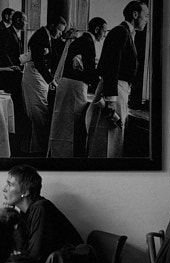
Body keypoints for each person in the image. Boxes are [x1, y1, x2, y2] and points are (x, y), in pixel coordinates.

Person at [86, 1, 149, 158]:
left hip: (118, 89)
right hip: (114, 89)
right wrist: (111, 100)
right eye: (145, 15)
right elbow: (111, 67)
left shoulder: (126, 33)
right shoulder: (120, 32)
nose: (147, 19)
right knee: (108, 135)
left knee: (111, 136)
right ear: (135, 15)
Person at [47, 17, 107, 158]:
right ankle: (65, 156)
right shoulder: (87, 42)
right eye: (104, 31)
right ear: (97, 29)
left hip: (66, 85)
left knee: (62, 124)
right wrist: (102, 85)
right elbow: (90, 71)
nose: (105, 35)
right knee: (72, 124)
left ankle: (58, 153)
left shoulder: (80, 41)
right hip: (74, 88)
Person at [2, 164, 83, 263]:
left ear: (25, 192)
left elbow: (35, 255)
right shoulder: (24, 212)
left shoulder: (40, 209)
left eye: (10, 184)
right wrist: (10, 219)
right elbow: (19, 250)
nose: (4, 189)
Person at [21, 16, 68, 155]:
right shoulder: (40, 36)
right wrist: (50, 80)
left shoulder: (45, 35)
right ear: (52, 26)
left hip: (38, 76)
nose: (59, 35)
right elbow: (40, 62)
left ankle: (33, 147)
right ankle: (37, 150)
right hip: (35, 76)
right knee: (39, 113)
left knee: (39, 112)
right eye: (59, 31)